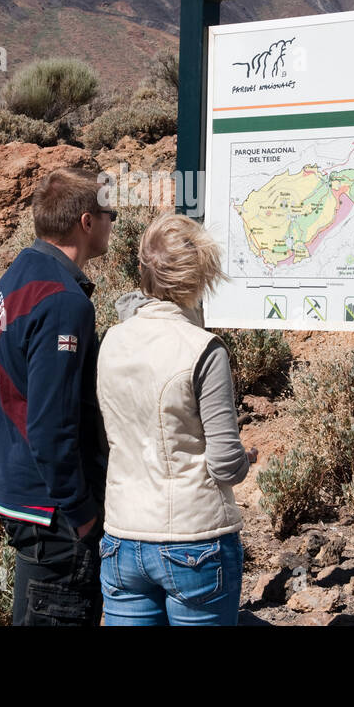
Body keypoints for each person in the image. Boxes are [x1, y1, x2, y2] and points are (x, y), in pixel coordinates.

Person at [95, 212, 258, 625]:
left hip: (122, 538)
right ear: (200, 275)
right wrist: (246, 459)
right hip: (194, 540)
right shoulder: (204, 349)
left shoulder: (111, 341)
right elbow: (223, 464)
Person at [0, 165, 115, 625]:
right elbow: (50, 422)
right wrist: (80, 513)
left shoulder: (15, 278)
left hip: (21, 491)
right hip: (52, 510)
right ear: (85, 221)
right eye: (108, 213)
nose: (111, 222)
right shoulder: (63, 300)